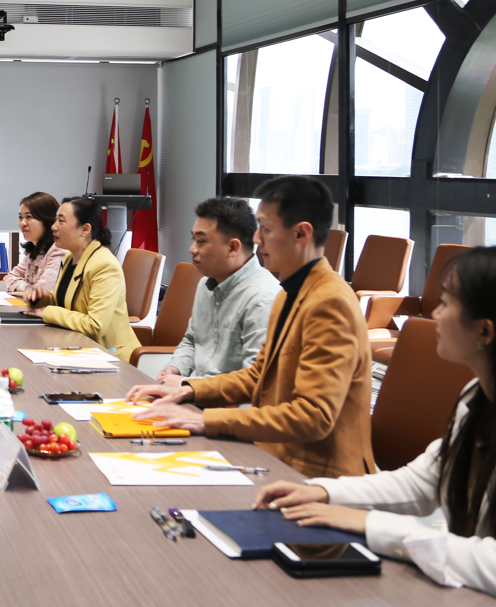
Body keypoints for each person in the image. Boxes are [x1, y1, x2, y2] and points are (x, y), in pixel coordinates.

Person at [254, 246, 496, 604]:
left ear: (484, 330)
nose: (434, 313)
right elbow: (423, 482)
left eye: (446, 303)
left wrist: (372, 525)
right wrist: (324, 492)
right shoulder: (479, 397)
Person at [127, 176, 375, 478]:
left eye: (265, 229)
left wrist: (205, 421)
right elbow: (258, 376)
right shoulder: (290, 293)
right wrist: (188, 389)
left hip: (316, 472)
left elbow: (315, 416)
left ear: (301, 234)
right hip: (277, 452)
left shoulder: (329, 302)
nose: (256, 239)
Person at [157, 196, 279, 385]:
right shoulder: (205, 285)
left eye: (201, 241)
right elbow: (192, 340)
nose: (192, 249)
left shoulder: (263, 299)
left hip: (225, 402)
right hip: (192, 393)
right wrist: (175, 368)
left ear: (232, 248)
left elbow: (256, 382)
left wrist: (187, 386)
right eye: (194, 239)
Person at [22, 196, 141, 362]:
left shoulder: (104, 265)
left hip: (110, 356)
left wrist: (48, 312)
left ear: (85, 229)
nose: (54, 226)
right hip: (77, 347)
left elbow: (95, 326)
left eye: (61, 221)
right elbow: (65, 302)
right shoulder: (70, 258)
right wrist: (39, 300)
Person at [1, 192, 64, 297]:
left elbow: (43, 291)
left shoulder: (58, 250)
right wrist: (27, 288)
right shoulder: (36, 250)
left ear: (47, 219)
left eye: (29, 217)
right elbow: (9, 278)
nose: (22, 223)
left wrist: (28, 288)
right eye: (20, 217)